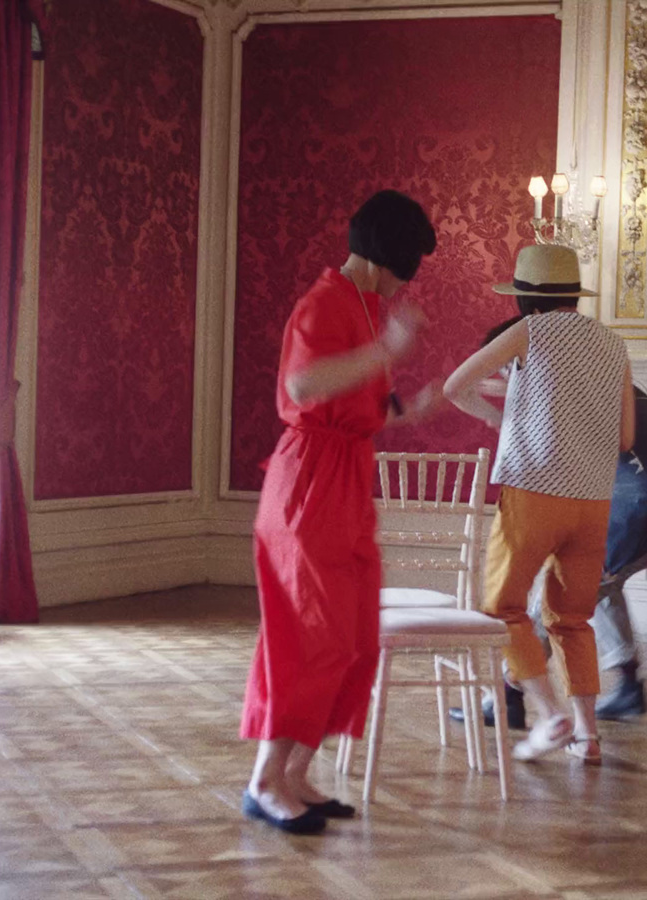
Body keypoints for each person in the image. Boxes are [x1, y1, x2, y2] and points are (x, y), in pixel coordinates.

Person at [240, 190, 440, 835]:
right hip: (308, 488)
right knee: (312, 639)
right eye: (407, 265)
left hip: (347, 480)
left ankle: (296, 773)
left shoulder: (364, 306)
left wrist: (418, 405)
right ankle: (265, 781)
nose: (406, 281)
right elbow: (303, 388)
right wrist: (387, 351)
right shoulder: (324, 302)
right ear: (389, 255)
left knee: (354, 640)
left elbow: (362, 408)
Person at [451, 320, 647, 728]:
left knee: (553, 598)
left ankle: (508, 697)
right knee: (603, 584)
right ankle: (627, 686)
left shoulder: (560, 391)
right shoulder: (594, 376)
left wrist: (499, 414)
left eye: (508, 368)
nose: (508, 377)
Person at [444, 244, 633, 765]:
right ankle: (588, 737)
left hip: (533, 491)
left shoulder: (532, 332)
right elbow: (625, 434)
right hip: (594, 500)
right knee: (573, 620)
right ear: (575, 292)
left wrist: (499, 419)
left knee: (503, 609)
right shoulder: (613, 343)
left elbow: (455, 386)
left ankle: (550, 715)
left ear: (525, 297)